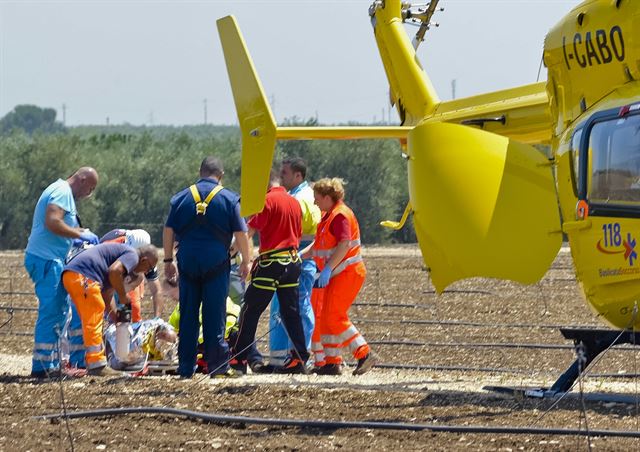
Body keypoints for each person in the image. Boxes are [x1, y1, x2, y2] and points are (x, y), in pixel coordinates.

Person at [163, 156, 250, 379]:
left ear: (200, 171)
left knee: (188, 315)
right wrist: (246, 262)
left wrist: (167, 261)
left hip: (188, 264)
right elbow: (241, 234)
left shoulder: (181, 198)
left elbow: (168, 230)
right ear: (221, 175)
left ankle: (185, 368)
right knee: (214, 316)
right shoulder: (229, 199)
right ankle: (218, 367)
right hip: (216, 265)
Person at [231, 171, 309, 374]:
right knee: (291, 312)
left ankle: (238, 359)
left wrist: (238, 255)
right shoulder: (294, 202)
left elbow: (249, 231)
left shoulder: (266, 201)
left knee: (250, 309)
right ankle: (300, 357)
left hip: (272, 263)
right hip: (293, 262)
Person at [24, 167, 99, 379]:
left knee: (59, 310)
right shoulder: (62, 192)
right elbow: (52, 221)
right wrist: (80, 233)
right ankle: (43, 367)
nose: (89, 194)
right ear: (82, 179)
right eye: (90, 188)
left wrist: (71, 238)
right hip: (47, 259)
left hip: (49, 257)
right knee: (53, 311)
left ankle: (52, 363)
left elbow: (54, 227)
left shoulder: (60, 191)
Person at [65, 228, 165, 368]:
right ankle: (95, 364)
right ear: (144, 260)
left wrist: (116, 319)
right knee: (93, 317)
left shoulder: (122, 255)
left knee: (92, 315)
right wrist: (123, 296)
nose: (148, 271)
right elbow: (114, 271)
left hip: (74, 275)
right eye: (148, 268)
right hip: (84, 276)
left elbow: (106, 295)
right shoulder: (132, 255)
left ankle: (83, 363)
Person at [309, 178, 377, 376]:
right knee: (326, 318)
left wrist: (328, 269)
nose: (315, 203)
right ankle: (331, 363)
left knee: (334, 315)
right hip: (336, 274)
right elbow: (319, 247)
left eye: (317, 199)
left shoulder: (340, 216)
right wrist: (299, 255)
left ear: (328, 198)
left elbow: (344, 244)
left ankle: (364, 353)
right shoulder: (329, 215)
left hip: (347, 273)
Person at [266, 157, 320, 367]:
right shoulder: (292, 195)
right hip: (286, 255)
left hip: (300, 255)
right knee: (282, 307)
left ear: (298, 175)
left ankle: (300, 354)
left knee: (299, 304)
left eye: (285, 173)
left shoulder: (305, 197)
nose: (281, 176)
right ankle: (281, 357)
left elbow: (310, 231)